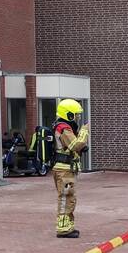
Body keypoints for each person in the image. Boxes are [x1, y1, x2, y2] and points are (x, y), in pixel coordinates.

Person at [52, 99, 89, 238]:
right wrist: (85, 131)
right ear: (68, 114)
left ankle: (68, 226)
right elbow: (75, 145)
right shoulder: (63, 128)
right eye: (76, 115)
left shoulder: (65, 127)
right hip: (64, 170)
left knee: (70, 197)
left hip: (67, 169)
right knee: (66, 197)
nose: (78, 118)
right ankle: (62, 228)